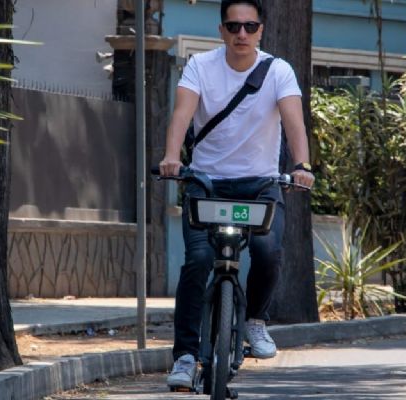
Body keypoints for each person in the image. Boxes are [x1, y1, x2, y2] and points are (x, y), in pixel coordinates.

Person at [158, 0, 315, 389]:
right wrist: (172, 158)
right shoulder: (200, 66)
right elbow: (182, 114)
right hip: (206, 182)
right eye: (233, 26)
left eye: (249, 26)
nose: (241, 34)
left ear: (261, 30)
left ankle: (255, 320)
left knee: (267, 251)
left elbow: (294, 122)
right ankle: (185, 357)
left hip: (260, 184)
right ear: (221, 31)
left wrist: (302, 165)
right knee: (197, 261)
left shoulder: (278, 71)